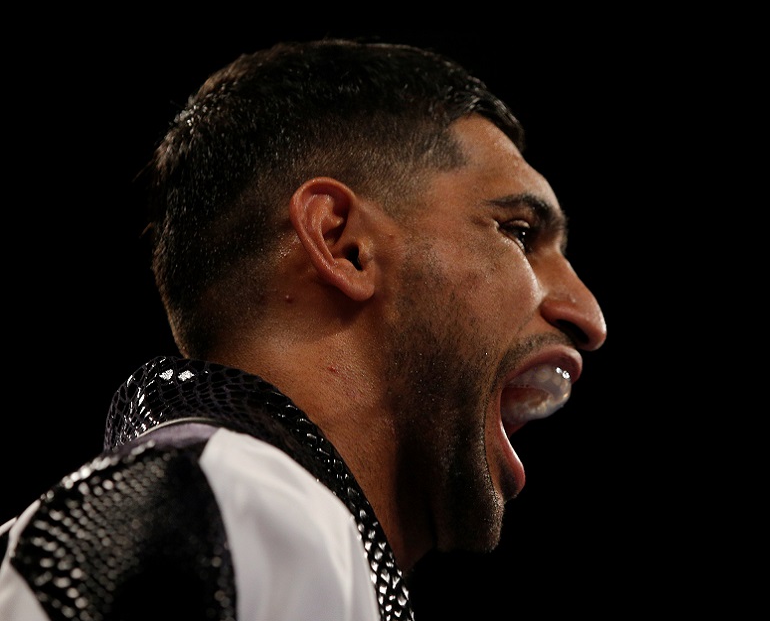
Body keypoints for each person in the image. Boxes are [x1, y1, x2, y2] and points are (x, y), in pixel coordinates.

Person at [0, 37, 606, 620]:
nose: (588, 315)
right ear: (344, 244)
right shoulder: (243, 507)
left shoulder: (225, 514)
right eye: (519, 232)